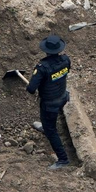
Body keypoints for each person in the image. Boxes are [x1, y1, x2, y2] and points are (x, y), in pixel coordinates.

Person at [26, 35, 72, 169]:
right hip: (63, 96)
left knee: (51, 130)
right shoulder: (65, 60)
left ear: (46, 50)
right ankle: (46, 126)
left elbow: (31, 89)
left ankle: (63, 159)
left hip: (49, 104)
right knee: (50, 121)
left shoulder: (42, 67)